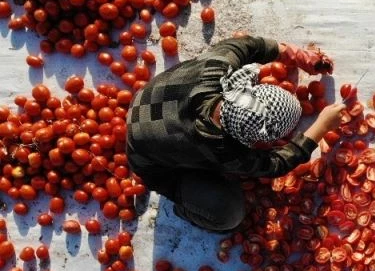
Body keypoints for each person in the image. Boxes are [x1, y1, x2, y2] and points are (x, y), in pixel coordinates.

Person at [125, 35, 345, 232]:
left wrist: (298, 56)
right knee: (229, 214)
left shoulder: (216, 68)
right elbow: (276, 164)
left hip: (144, 103)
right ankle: (187, 210)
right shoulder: (223, 150)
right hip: (148, 162)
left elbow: (248, 45)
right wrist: (321, 127)